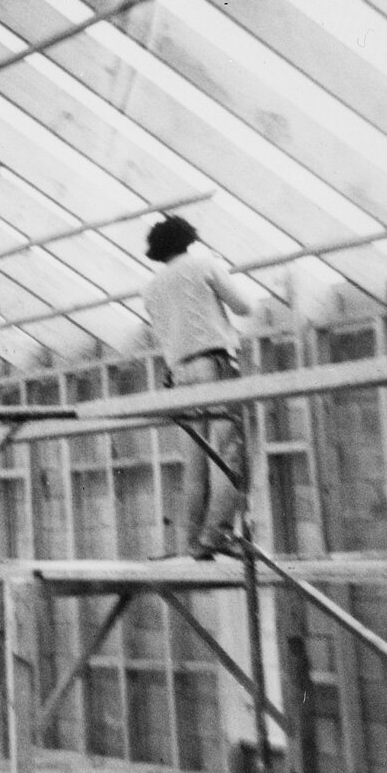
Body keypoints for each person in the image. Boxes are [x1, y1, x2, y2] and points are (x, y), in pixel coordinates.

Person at [141, 214, 253, 560]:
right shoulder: (204, 264)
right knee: (230, 452)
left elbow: (162, 334)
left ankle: (192, 541)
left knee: (195, 462)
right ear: (189, 239)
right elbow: (244, 306)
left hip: (178, 374)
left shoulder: (152, 287)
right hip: (212, 365)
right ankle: (216, 534)